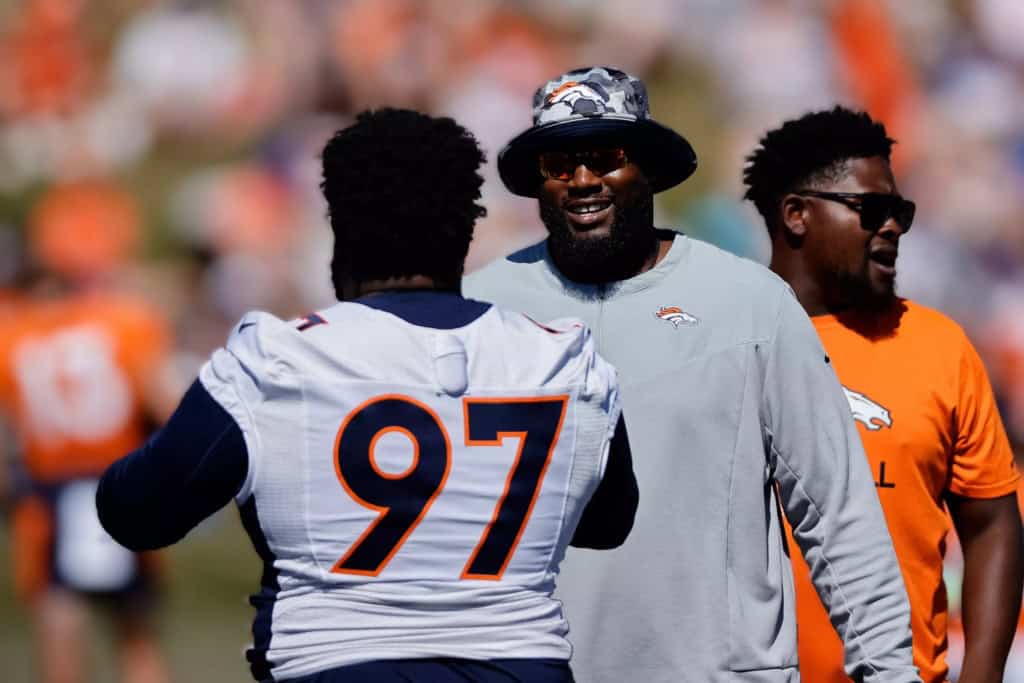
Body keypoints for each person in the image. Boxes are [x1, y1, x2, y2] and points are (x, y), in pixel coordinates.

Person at [96, 108, 638, 683]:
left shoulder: (277, 360)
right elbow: (607, 522)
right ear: (467, 226)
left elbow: (135, 513)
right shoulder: (564, 360)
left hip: (338, 665)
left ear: (339, 226)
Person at [464, 66, 919, 683]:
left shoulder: (750, 302)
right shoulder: (482, 308)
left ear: (647, 167)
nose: (582, 180)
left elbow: (839, 513)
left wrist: (890, 673)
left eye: (606, 156)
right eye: (559, 164)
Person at [743, 105, 1024, 683]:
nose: (892, 227)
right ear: (796, 215)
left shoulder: (940, 347)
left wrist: (983, 676)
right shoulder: (720, 338)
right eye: (872, 210)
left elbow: (992, 522)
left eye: (900, 212)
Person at [0, 181, 171, 683]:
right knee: (135, 630)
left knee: (59, 626)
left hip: (49, 486)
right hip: (120, 475)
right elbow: (162, 402)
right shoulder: (126, 320)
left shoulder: (14, 332)